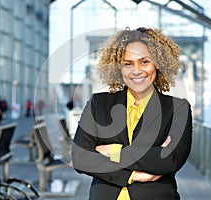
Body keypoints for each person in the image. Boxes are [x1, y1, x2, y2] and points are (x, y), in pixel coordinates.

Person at [71, 27, 192, 200]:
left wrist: (114, 151)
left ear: (157, 63)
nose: (136, 71)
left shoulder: (177, 109)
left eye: (144, 62)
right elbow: (80, 157)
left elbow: (170, 159)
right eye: (128, 64)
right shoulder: (99, 104)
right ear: (119, 68)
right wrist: (134, 175)